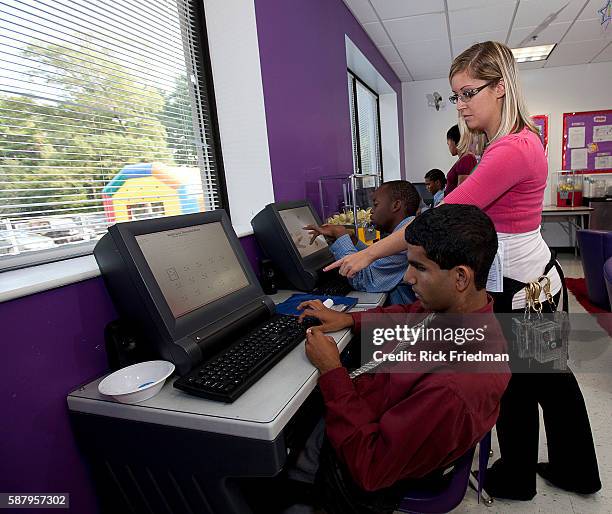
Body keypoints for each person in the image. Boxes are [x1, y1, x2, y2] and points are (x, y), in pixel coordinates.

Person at [323, 41, 601, 501]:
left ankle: (517, 478)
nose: (460, 105)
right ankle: (575, 469)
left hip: (520, 286)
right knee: (549, 377)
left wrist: (369, 255)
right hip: (534, 276)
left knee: (522, 382)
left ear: (501, 87)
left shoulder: (511, 149)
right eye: (456, 95)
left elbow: (435, 223)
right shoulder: (514, 142)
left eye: (469, 92)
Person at [287, 204, 509, 514]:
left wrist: (332, 370)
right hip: (377, 410)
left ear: (460, 277)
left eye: (419, 267)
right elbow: (408, 315)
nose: (407, 278)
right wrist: (350, 320)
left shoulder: (452, 386)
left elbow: (370, 470)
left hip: (366, 466)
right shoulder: (458, 311)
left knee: (277, 461)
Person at [304, 180, 420, 305]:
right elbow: (376, 261)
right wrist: (354, 242)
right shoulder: (407, 230)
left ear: (396, 205)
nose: (371, 211)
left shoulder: (406, 242)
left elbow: (362, 280)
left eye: (376, 204)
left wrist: (341, 235)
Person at [444, 124, 478, 196]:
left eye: (448, 143)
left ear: (453, 141)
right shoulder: (463, 159)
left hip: (455, 205)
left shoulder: (467, 159)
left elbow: (462, 191)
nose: (448, 147)